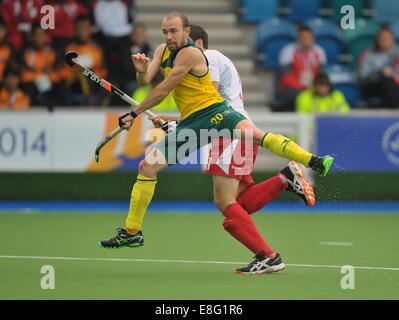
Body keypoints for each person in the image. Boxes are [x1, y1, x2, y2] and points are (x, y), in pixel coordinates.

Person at [99, 12, 334, 274]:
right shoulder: (162, 51)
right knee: (153, 169)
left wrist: (134, 113)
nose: (168, 36)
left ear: (189, 34)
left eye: (174, 31)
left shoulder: (197, 55)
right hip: (194, 123)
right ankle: (132, 232)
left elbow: (167, 90)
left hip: (219, 117)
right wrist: (142, 71)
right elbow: (149, 81)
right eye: (165, 31)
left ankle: (310, 163)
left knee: (232, 189)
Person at [150, 24, 316, 274]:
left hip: (229, 130)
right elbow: (203, 109)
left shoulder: (208, 57)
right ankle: (285, 178)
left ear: (197, 43)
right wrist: (176, 120)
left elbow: (209, 105)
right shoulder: (204, 63)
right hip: (233, 129)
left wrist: (178, 123)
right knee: (237, 203)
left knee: (223, 200)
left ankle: (268, 256)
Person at [277, 25, 327, 112]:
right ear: (298, 38)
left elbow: (321, 73)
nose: (305, 40)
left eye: (308, 37)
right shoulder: (288, 51)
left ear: (313, 38)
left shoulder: (319, 51)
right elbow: (286, 75)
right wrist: (303, 87)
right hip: (294, 86)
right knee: (296, 93)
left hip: (313, 85)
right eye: (303, 37)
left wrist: (315, 86)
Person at [357, 26, 399, 109]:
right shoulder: (368, 54)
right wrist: (380, 73)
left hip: (394, 85)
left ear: (392, 40)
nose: (384, 40)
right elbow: (362, 76)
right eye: (382, 37)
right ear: (377, 40)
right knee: (386, 78)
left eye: (387, 38)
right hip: (373, 85)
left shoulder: (397, 53)